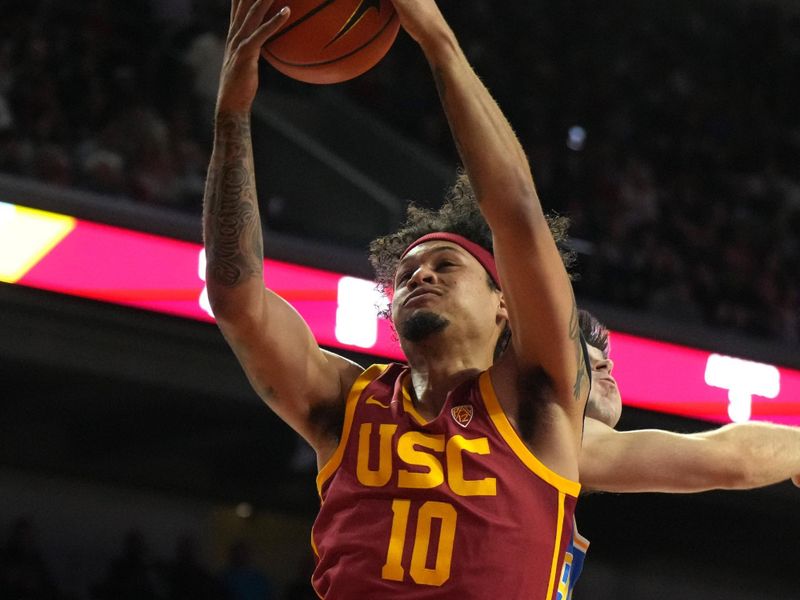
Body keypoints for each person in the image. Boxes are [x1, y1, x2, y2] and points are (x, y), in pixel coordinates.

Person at [202, 0, 589, 597]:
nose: (418, 277)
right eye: (406, 272)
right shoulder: (346, 402)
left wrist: (436, 38)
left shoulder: (538, 396)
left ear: (503, 304)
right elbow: (237, 301)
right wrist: (232, 114)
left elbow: (515, 213)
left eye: (445, 265)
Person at [556, 309, 800, 599]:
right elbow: (732, 459)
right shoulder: (559, 437)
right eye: (588, 361)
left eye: (605, 362)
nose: (606, 365)